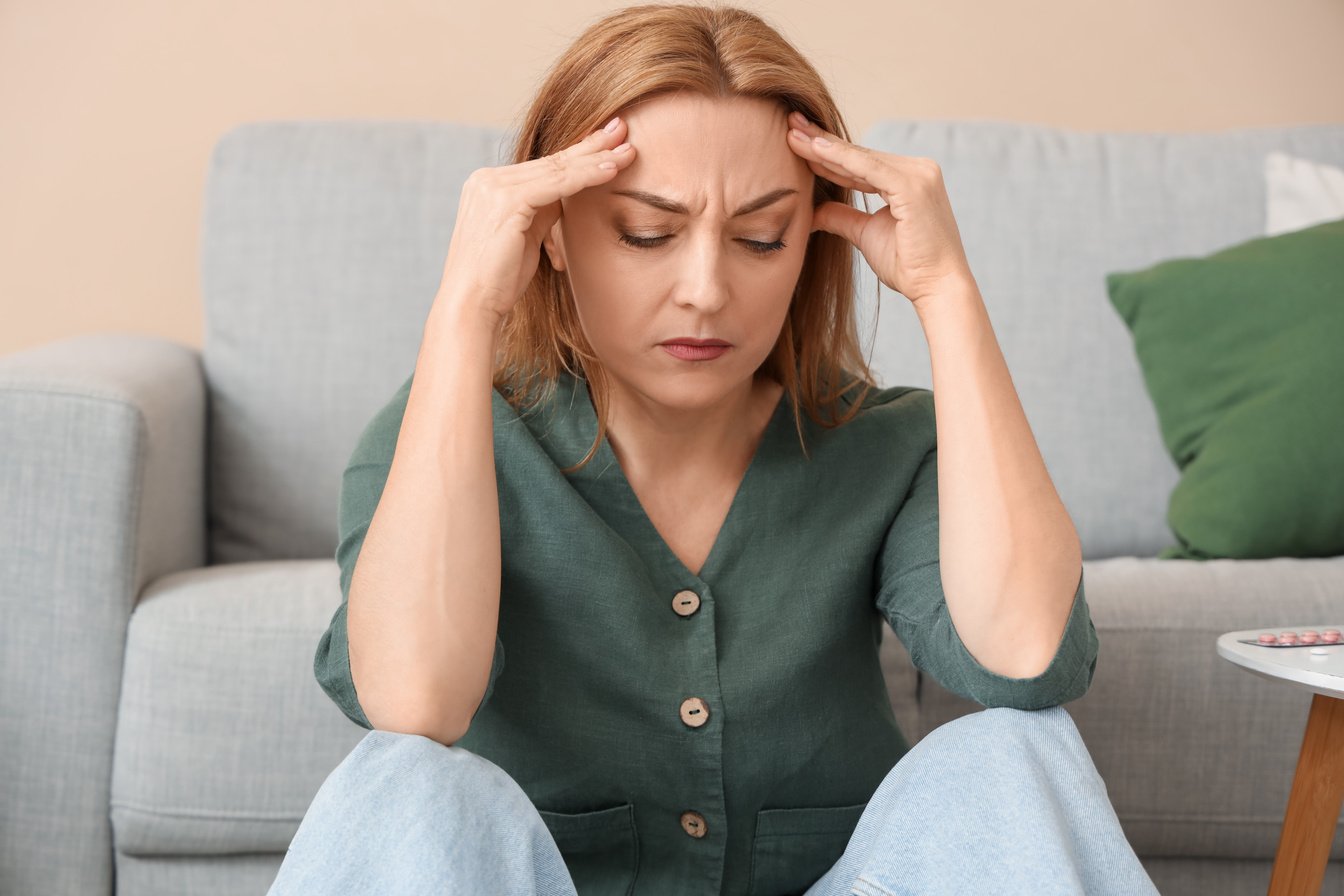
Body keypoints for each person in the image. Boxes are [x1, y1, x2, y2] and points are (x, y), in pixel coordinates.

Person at [267, 3, 1161, 894]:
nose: (706, 291)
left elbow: (1026, 655)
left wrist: (947, 291)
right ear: (553, 236)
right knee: (405, 782)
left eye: (761, 238)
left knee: (1015, 750)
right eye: (647, 233)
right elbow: (414, 703)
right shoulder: (442, 431)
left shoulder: (884, 444)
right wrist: (467, 310)